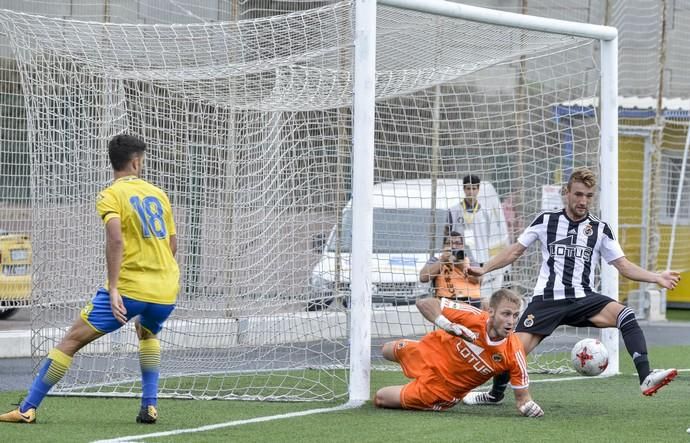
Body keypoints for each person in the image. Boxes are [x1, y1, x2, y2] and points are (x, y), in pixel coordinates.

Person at [0, 134, 180, 424]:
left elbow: (116, 239)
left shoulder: (110, 195)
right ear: (136, 162)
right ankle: (150, 405)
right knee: (147, 333)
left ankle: (27, 409)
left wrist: (112, 288)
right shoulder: (159, 194)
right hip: (166, 291)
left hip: (130, 289)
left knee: (70, 342)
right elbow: (172, 245)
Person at [462, 167, 680, 407]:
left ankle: (646, 376)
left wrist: (656, 277)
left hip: (583, 299)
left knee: (626, 315)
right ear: (566, 192)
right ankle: (494, 394)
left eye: (588, 196)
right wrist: (484, 268)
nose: (583, 201)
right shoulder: (546, 220)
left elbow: (624, 266)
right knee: (513, 351)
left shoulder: (600, 229)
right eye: (578, 194)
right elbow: (515, 251)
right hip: (547, 300)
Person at [374, 289, 544, 417]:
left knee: (380, 398)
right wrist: (447, 325)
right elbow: (423, 303)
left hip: (440, 390)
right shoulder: (473, 316)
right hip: (427, 351)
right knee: (385, 349)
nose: (511, 322)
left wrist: (529, 407)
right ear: (491, 312)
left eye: (515, 315)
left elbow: (523, 399)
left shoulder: (514, 352)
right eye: (506, 314)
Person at [447, 175, 509, 302]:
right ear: (464, 189)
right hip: (460, 258)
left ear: (478, 189)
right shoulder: (454, 210)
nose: (471, 192)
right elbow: (447, 233)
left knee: (479, 291)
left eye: (474, 189)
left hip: (480, 257)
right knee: (463, 290)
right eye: (468, 189)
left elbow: (491, 235)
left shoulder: (486, 212)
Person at [419, 230, 483, 309]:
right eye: (449, 243)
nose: (454, 246)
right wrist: (442, 261)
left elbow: (479, 280)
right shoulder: (436, 260)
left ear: (462, 246)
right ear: (444, 246)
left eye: (457, 243)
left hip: (472, 303)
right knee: (422, 302)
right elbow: (423, 278)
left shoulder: (470, 260)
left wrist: (460, 264)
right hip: (448, 303)